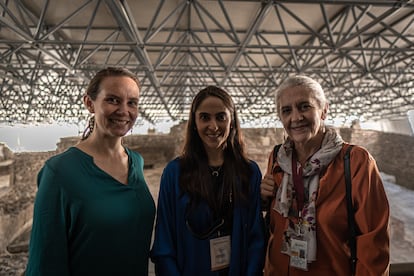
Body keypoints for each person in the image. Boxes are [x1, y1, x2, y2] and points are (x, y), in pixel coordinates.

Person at [25, 67, 156, 275]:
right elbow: (45, 262)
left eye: (132, 102)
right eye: (113, 100)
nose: (124, 111)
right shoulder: (59, 172)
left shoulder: (136, 162)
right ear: (89, 103)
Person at [261, 75, 390, 275]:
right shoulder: (278, 158)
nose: (296, 117)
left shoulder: (355, 162)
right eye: (287, 110)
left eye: (304, 107)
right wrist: (263, 198)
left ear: (324, 110)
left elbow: (373, 244)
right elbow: (274, 225)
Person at [151, 85, 265, 275]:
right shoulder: (175, 172)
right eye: (205, 117)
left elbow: (256, 238)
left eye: (221, 116)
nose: (213, 126)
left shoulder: (248, 172)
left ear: (232, 121)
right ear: (195, 123)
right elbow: (164, 241)